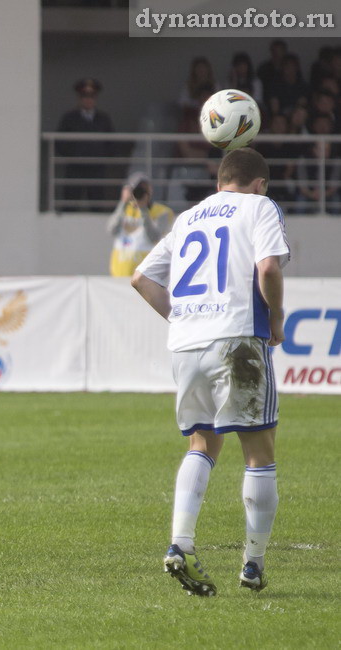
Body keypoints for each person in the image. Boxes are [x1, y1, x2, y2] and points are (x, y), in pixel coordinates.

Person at [132, 148, 290, 596]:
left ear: (221, 180)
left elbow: (141, 278)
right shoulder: (261, 206)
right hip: (239, 337)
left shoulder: (187, 218)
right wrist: (276, 318)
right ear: (259, 183)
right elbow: (269, 267)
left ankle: (180, 544)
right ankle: (254, 564)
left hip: (186, 343)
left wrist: (184, 318)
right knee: (259, 450)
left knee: (201, 443)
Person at [56, 78, 114, 211]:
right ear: (79, 98)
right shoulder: (69, 118)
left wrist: (101, 157)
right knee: (70, 205)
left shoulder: (103, 119)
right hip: (75, 168)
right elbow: (60, 143)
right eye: (85, 96)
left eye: (92, 97)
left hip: (96, 169)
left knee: (97, 205)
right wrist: (73, 155)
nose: (88, 100)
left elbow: (111, 143)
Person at [107, 172, 174, 277]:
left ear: (150, 190)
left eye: (144, 189)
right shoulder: (124, 209)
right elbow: (112, 229)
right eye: (136, 189)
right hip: (119, 274)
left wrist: (143, 209)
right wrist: (123, 202)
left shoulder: (163, 212)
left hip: (145, 276)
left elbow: (154, 237)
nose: (139, 193)